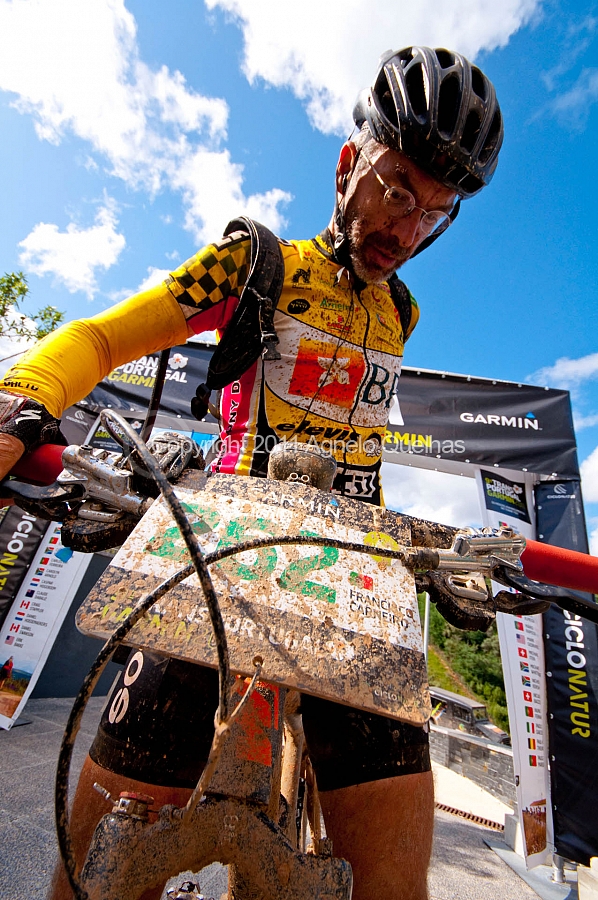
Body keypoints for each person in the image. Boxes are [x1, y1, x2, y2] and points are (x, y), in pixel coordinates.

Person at [0, 46, 502, 900]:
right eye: (395, 189)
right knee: (90, 874)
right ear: (348, 164)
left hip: (351, 580)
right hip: (226, 555)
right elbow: (100, 336)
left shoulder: (403, 310)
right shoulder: (253, 262)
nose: (406, 229)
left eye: (433, 212)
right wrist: (23, 398)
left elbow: (362, 449)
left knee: (395, 881)